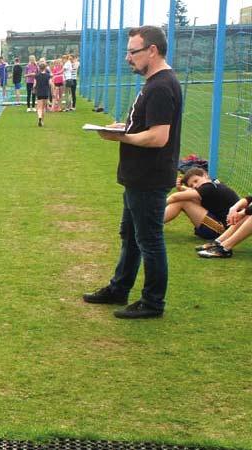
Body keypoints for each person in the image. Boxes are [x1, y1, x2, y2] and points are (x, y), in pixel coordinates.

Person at [83, 26, 183, 319]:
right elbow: (145, 127)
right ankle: (119, 288)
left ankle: (153, 302)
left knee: (149, 240)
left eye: (133, 51)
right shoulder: (154, 83)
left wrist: (121, 138)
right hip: (138, 176)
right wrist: (122, 128)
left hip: (149, 178)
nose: (128, 58)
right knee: (130, 235)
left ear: (152, 50)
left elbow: (158, 137)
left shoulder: (162, 86)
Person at [164, 167, 239, 240]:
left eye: (196, 181)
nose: (195, 185)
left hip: (222, 230)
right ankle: (154, 222)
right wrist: (181, 188)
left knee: (183, 201)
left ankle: (153, 221)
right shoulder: (214, 184)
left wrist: (159, 205)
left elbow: (175, 197)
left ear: (205, 175)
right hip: (224, 229)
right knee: (186, 199)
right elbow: (192, 192)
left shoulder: (208, 187)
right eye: (192, 185)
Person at [34, 61, 51, 127]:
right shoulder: (48, 75)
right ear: (45, 68)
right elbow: (50, 84)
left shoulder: (37, 75)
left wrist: (34, 89)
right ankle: (42, 120)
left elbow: (34, 85)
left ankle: (39, 118)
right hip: (46, 92)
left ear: (39, 68)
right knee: (44, 107)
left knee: (39, 107)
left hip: (39, 92)